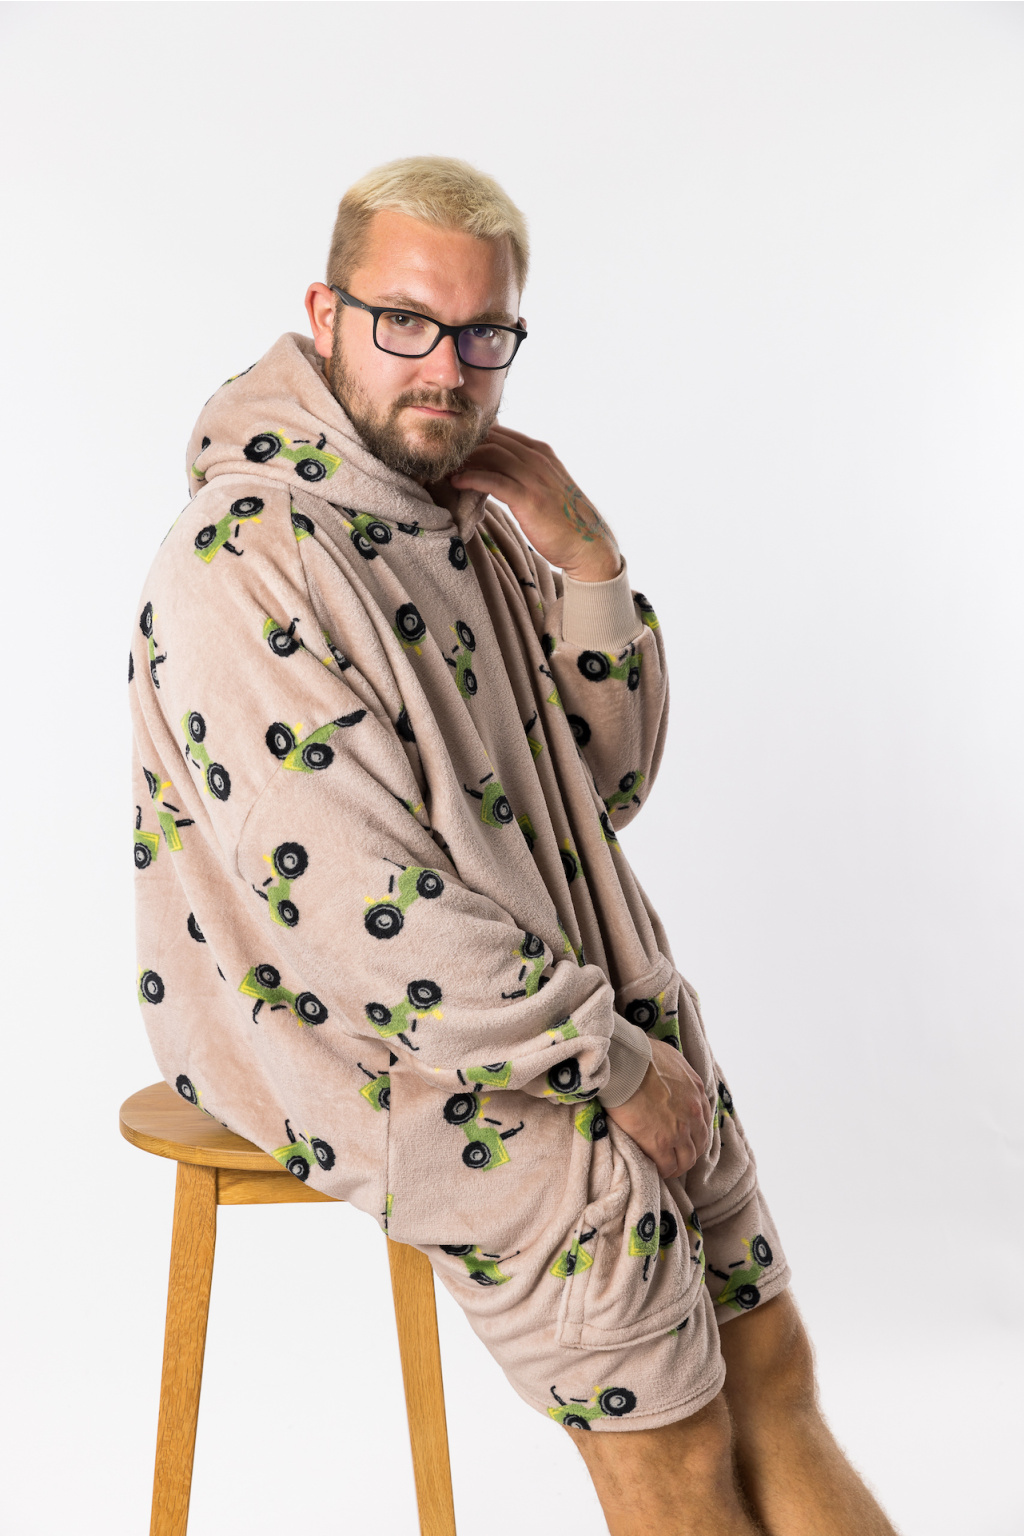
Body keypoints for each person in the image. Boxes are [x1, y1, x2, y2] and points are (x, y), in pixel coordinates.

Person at [129, 156, 897, 1536]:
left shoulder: (462, 523)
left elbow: (605, 785)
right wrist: (608, 1065)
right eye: (407, 322)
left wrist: (586, 560)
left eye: (484, 333)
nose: (448, 368)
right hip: (382, 1044)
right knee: (669, 1435)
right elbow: (357, 911)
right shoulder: (244, 556)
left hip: (580, 1009)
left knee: (771, 1370)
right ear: (326, 313)